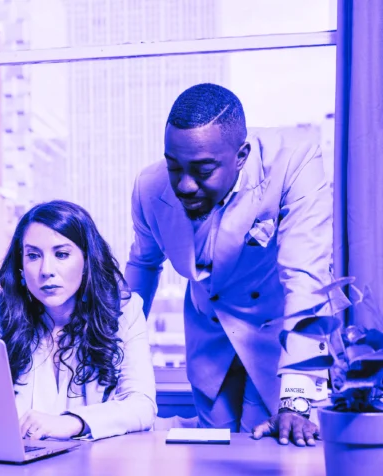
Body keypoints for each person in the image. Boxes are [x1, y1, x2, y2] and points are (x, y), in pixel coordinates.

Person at [126, 83, 349, 446]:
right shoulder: (148, 188)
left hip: (281, 337)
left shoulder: (294, 160)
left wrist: (295, 398)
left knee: (284, 452)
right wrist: (112, 351)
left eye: (203, 170)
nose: (185, 185)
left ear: (241, 155)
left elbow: (305, 276)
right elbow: (143, 266)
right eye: (174, 167)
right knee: (215, 457)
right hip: (210, 337)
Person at [0, 200, 156, 441]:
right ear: (21, 267)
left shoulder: (124, 311)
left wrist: (74, 422)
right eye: (33, 255)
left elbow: (142, 405)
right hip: (17, 458)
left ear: (87, 261)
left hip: (96, 460)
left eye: (62, 254)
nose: (46, 270)